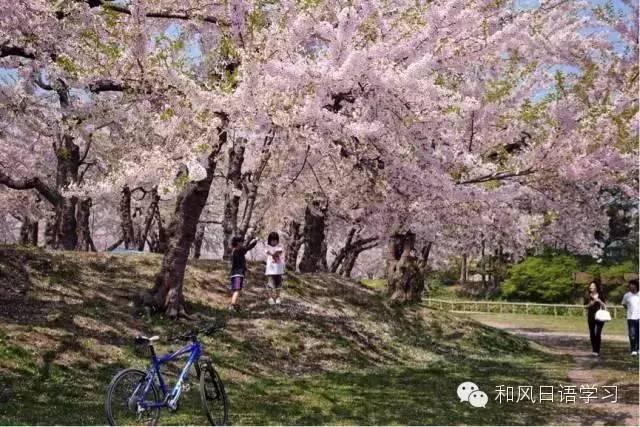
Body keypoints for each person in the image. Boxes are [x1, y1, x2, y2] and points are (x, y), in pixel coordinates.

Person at [228, 236, 257, 311]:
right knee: (237, 290)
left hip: (235, 274)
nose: (242, 243)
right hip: (238, 274)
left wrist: (247, 270)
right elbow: (248, 247)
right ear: (238, 243)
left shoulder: (235, 251)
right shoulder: (239, 250)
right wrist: (255, 241)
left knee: (236, 290)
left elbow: (240, 263)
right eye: (241, 242)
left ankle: (233, 304)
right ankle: (232, 306)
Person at [584, 280, 606, 356]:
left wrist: (599, 301)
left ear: (596, 287)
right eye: (590, 286)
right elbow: (585, 306)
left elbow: (604, 306)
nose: (591, 287)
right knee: (592, 334)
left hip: (600, 317)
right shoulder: (587, 295)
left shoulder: (601, 295)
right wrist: (591, 304)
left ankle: (597, 350)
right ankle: (594, 350)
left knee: (598, 334)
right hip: (591, 317)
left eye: (593, 286)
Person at [264, 232, 285, 305]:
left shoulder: (279, 246)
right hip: (270, 270)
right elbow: (267, 252)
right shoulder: (267, 246)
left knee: (278, 284)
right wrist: (272, 254)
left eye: (275, 240)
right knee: (270, 284)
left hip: (278, 270)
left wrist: (275, 253)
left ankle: (278, 297)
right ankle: (270, 298)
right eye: (272, 240)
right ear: (269, 240)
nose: (274, 242)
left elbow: (280, 251)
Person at [621, 279, 640, 356]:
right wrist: (629, 310)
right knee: (632, 334)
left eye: (632, 285)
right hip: (631, 318)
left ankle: (638, 348)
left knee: (638, 334)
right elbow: (624, 304)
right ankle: (633, 349)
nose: (631, 286)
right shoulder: (627, 295)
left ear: (636, 285)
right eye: (630, 285)